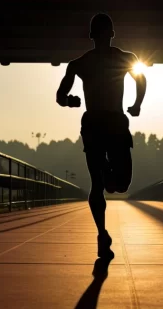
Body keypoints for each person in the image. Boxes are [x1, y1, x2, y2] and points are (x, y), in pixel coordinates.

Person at [56, 13, 147, 258]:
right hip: (105, 122)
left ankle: (105, 170)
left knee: (119, 184)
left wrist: (67, 100)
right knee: (100, 184)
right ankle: (102, 234)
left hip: (104, 123)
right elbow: (141, 79)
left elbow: (141, 78)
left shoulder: (112, 60)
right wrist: (137, 104)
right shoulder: (84, 63)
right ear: (106, 34)